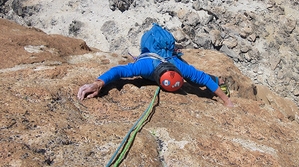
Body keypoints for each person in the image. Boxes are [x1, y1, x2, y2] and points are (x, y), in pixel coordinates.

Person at [77, 51, 234, 107]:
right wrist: (98, 84)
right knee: (195, 80)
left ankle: (218, 80)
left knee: (194, 80)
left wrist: (227, 101)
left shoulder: (180, 66)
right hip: (151, 54)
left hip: (168, 58)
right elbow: (118, 71)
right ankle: (218, 81)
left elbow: (203, 78)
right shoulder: (146, 66)